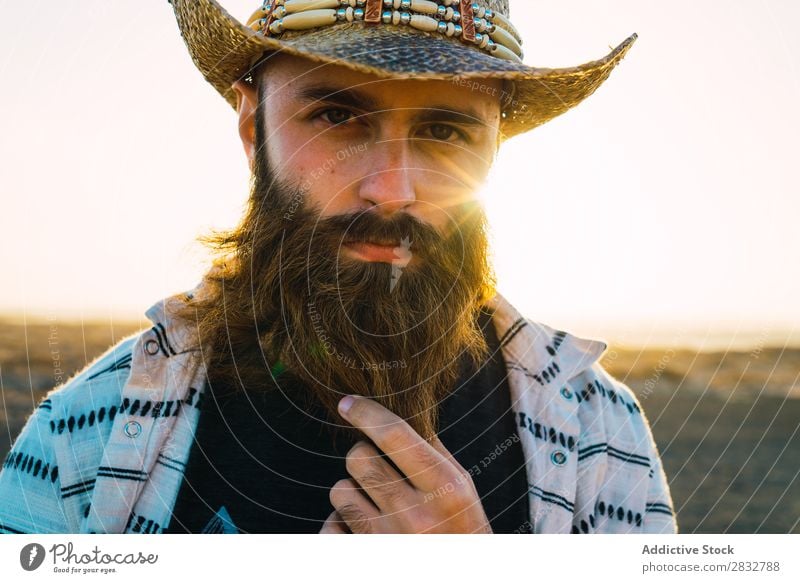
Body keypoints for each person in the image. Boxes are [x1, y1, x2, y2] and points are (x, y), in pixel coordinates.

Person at [0, 0, 677, 534]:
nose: (391, 189)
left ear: (493, 149)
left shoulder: (598, 435)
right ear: (252, 129)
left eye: (445, 131)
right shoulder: (85, 433)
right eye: (336, 116)